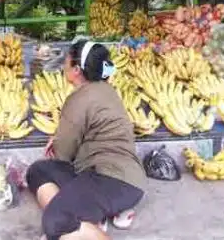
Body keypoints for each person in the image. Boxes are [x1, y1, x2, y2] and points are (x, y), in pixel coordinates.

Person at [26, 40, 146, 240]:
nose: (63, 65)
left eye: (66, 61)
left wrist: (58, 142)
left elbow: (63, 154)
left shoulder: (79, 99)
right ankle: (87, 218)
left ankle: (74, 220)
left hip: (113, 180)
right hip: (119, 177)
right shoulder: (106, 89)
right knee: (38, 171)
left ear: (76, 70)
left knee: (55, 222)